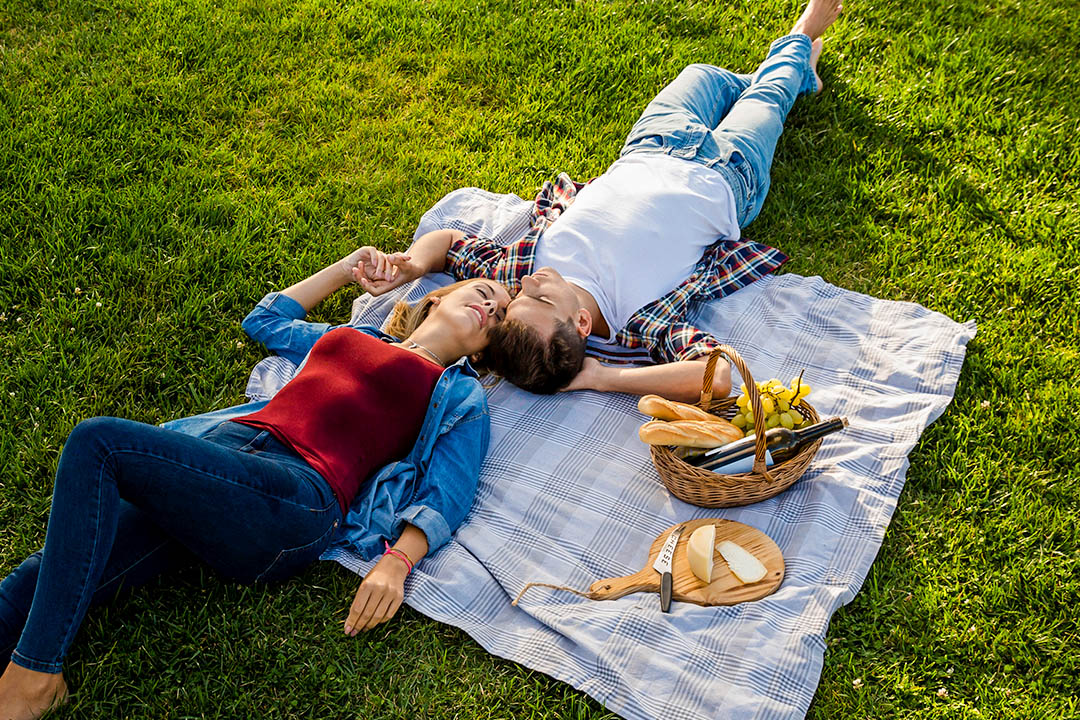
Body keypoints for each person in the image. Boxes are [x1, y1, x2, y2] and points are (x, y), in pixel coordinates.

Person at [0, 248, 510, 720]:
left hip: (300, 497)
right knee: (40, 576)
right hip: (221, 453)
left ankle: (36, 675)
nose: (491, 304)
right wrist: (347, 267)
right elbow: (265, 320)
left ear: (486, 349)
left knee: (100, 443)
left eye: (501, 314)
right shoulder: (356, 337)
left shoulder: (460, 393)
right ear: (437, 295)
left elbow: (449, 491)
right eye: (484, 291)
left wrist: (398, 563)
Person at [351, 0, 843, 403]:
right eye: (540, 299)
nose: (527, 287)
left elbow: (450, 241)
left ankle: (789, 70)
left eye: (517, 300)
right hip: (729, 174)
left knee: (704, 75)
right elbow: (716, 378)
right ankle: (801, 41)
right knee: (770, 96)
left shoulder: (522, 275)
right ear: (582, 324)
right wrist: (601, 377)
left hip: (652, 144)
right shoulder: (639, 322)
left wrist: (412, 266)